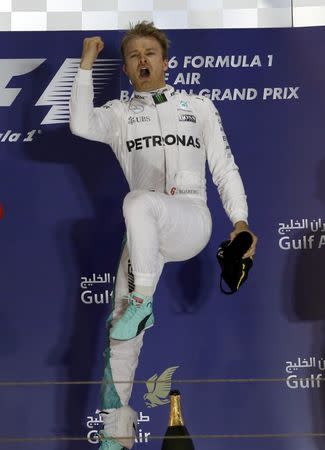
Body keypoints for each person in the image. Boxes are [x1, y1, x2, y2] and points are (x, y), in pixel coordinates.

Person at [69, 21, 257, 450]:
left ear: (165, 63)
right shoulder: (118, 115)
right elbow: (79, 123)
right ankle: (116, 438)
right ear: (127, 69)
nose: (142, 60)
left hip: (189, 220)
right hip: (144, 237)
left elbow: (224, 169)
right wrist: (85, 65)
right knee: (120, 336)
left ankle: (142, 301)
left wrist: (241, 221)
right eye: (133, 56)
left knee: (137, 202)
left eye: (149, 54)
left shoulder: (199, 106)